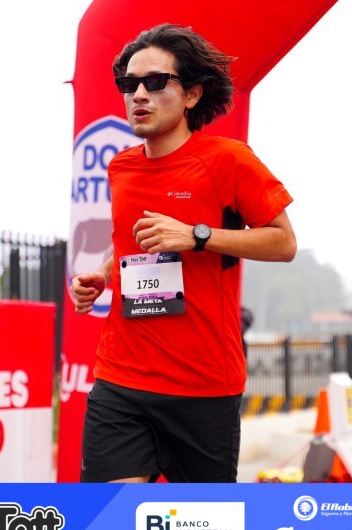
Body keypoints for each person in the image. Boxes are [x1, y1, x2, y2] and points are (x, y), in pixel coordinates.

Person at [70, 23, 296, 483]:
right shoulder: (121, 167)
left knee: (200, 523)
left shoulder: (228, 160)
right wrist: (104, 274)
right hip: (122, 379)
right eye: (130, 84)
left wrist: (197, 236)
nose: (139, 95)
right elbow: (132, 244)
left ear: (192, 95)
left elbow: (283, 242)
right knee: (112, 519)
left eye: (156, 82)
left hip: (203, 386)